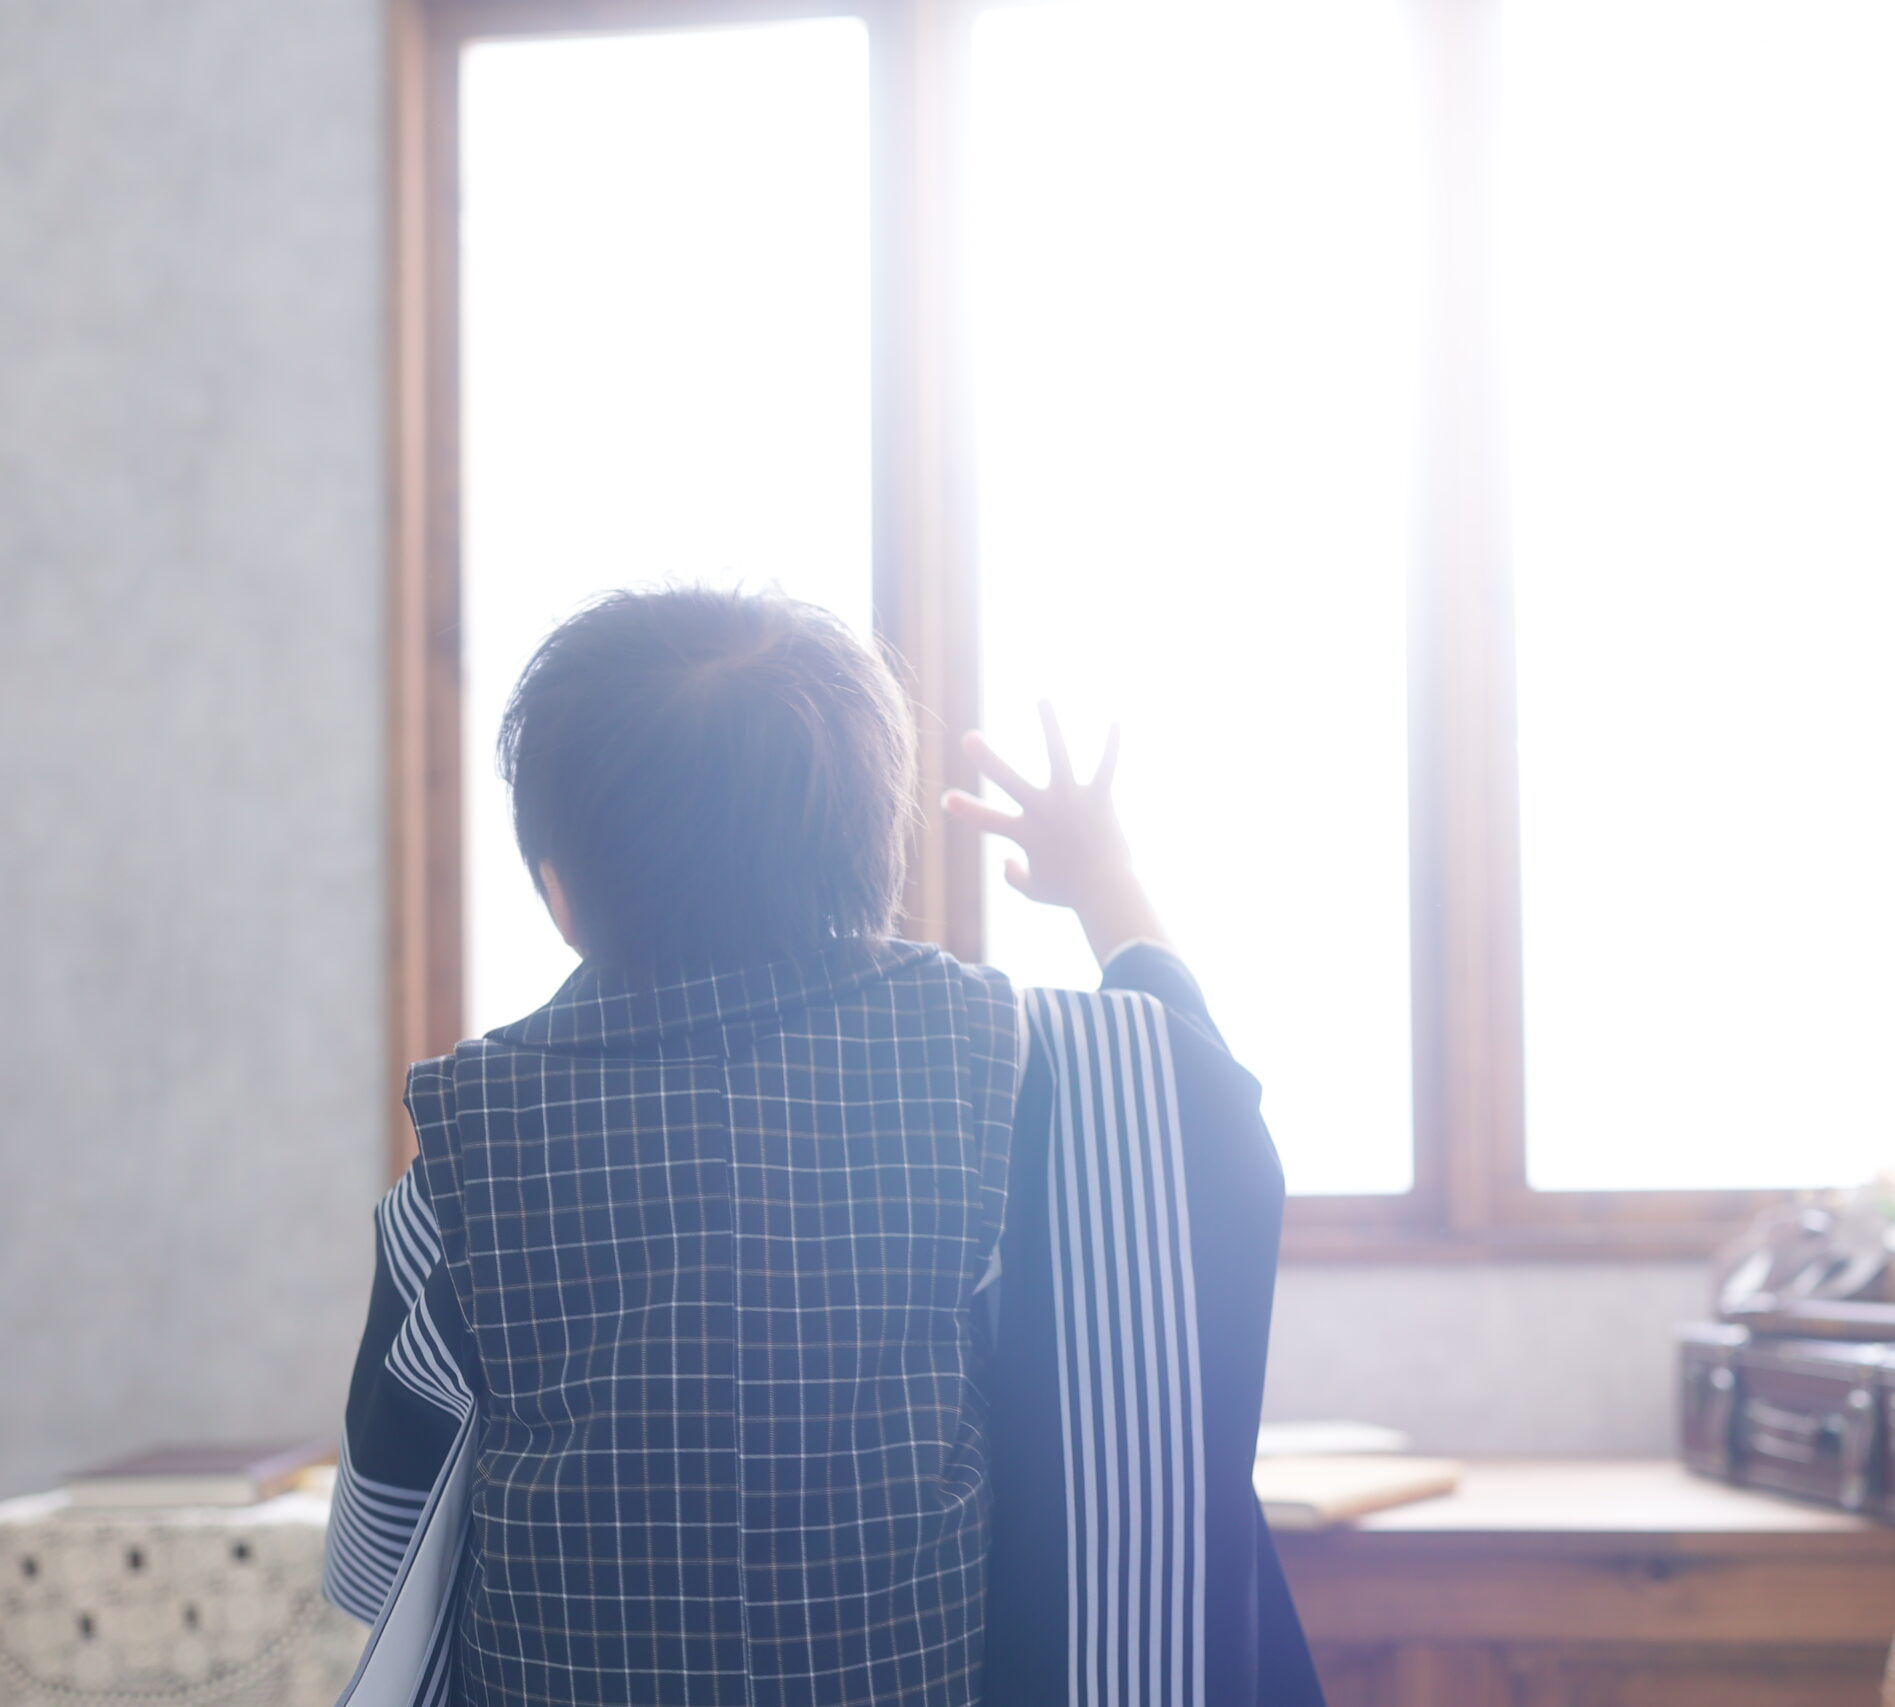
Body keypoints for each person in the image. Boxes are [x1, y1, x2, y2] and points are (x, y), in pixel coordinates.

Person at [322, 587, 1323, 1707]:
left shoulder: (468, 1145)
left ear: (559, 890)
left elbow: (380, 1549)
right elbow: (1192, 1095)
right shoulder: (1012, 1065)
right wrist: (1103, 882)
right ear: (873, 855)